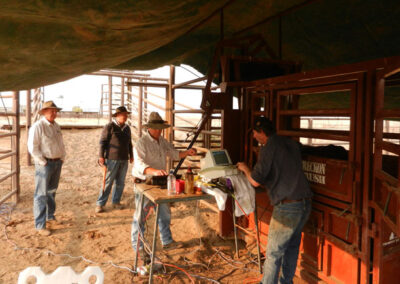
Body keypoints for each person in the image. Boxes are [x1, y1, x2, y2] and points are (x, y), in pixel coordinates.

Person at [237, 117, 312, 284]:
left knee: (273, 253)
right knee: (291, 248)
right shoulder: (290, 143)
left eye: (255, 133)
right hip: (304, 203)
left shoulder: (268, 148)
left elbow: (255, 181)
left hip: (287, 206)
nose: (254, 137)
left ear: (262, 132)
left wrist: (245, 169)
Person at [131, 112, 197, 255]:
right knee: (140, 215)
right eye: (156, 128)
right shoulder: (141, 143)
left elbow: (174, 154)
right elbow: (139, 164)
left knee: (164, 212)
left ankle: (167, 241)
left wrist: (187, 152)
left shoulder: (163, 141)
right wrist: (154, 171)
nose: (158, 130)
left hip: (158, 181)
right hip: (144, 181)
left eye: (160, 128)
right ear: (149, 128)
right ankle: (138, 246)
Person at [28, 101, 66, 236]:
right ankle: (40, 225)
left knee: (51, 191)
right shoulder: (38, 126)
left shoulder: (56, 126)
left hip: (56, 163)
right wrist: (42, 162)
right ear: (44, 112)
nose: (54, 113)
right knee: (41, 194)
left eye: (55, 111)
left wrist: (62, 157)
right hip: (45, 164)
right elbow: (33, 147)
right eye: (51, 111)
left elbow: (60, 143)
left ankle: (50, 216)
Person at [95, 106, 133, 213]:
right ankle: (100, 204)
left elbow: (129, 143)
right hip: (111, 159)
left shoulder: (127, 128)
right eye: (123, 115)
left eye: (126, 115)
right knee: (107, 182)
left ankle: (116, 202)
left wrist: (131, 155)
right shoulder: (109, 126)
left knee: (120, 182)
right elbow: (103, 142)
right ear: (117, 116)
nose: (125, 117)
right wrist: (101, 156)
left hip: (124, 159)